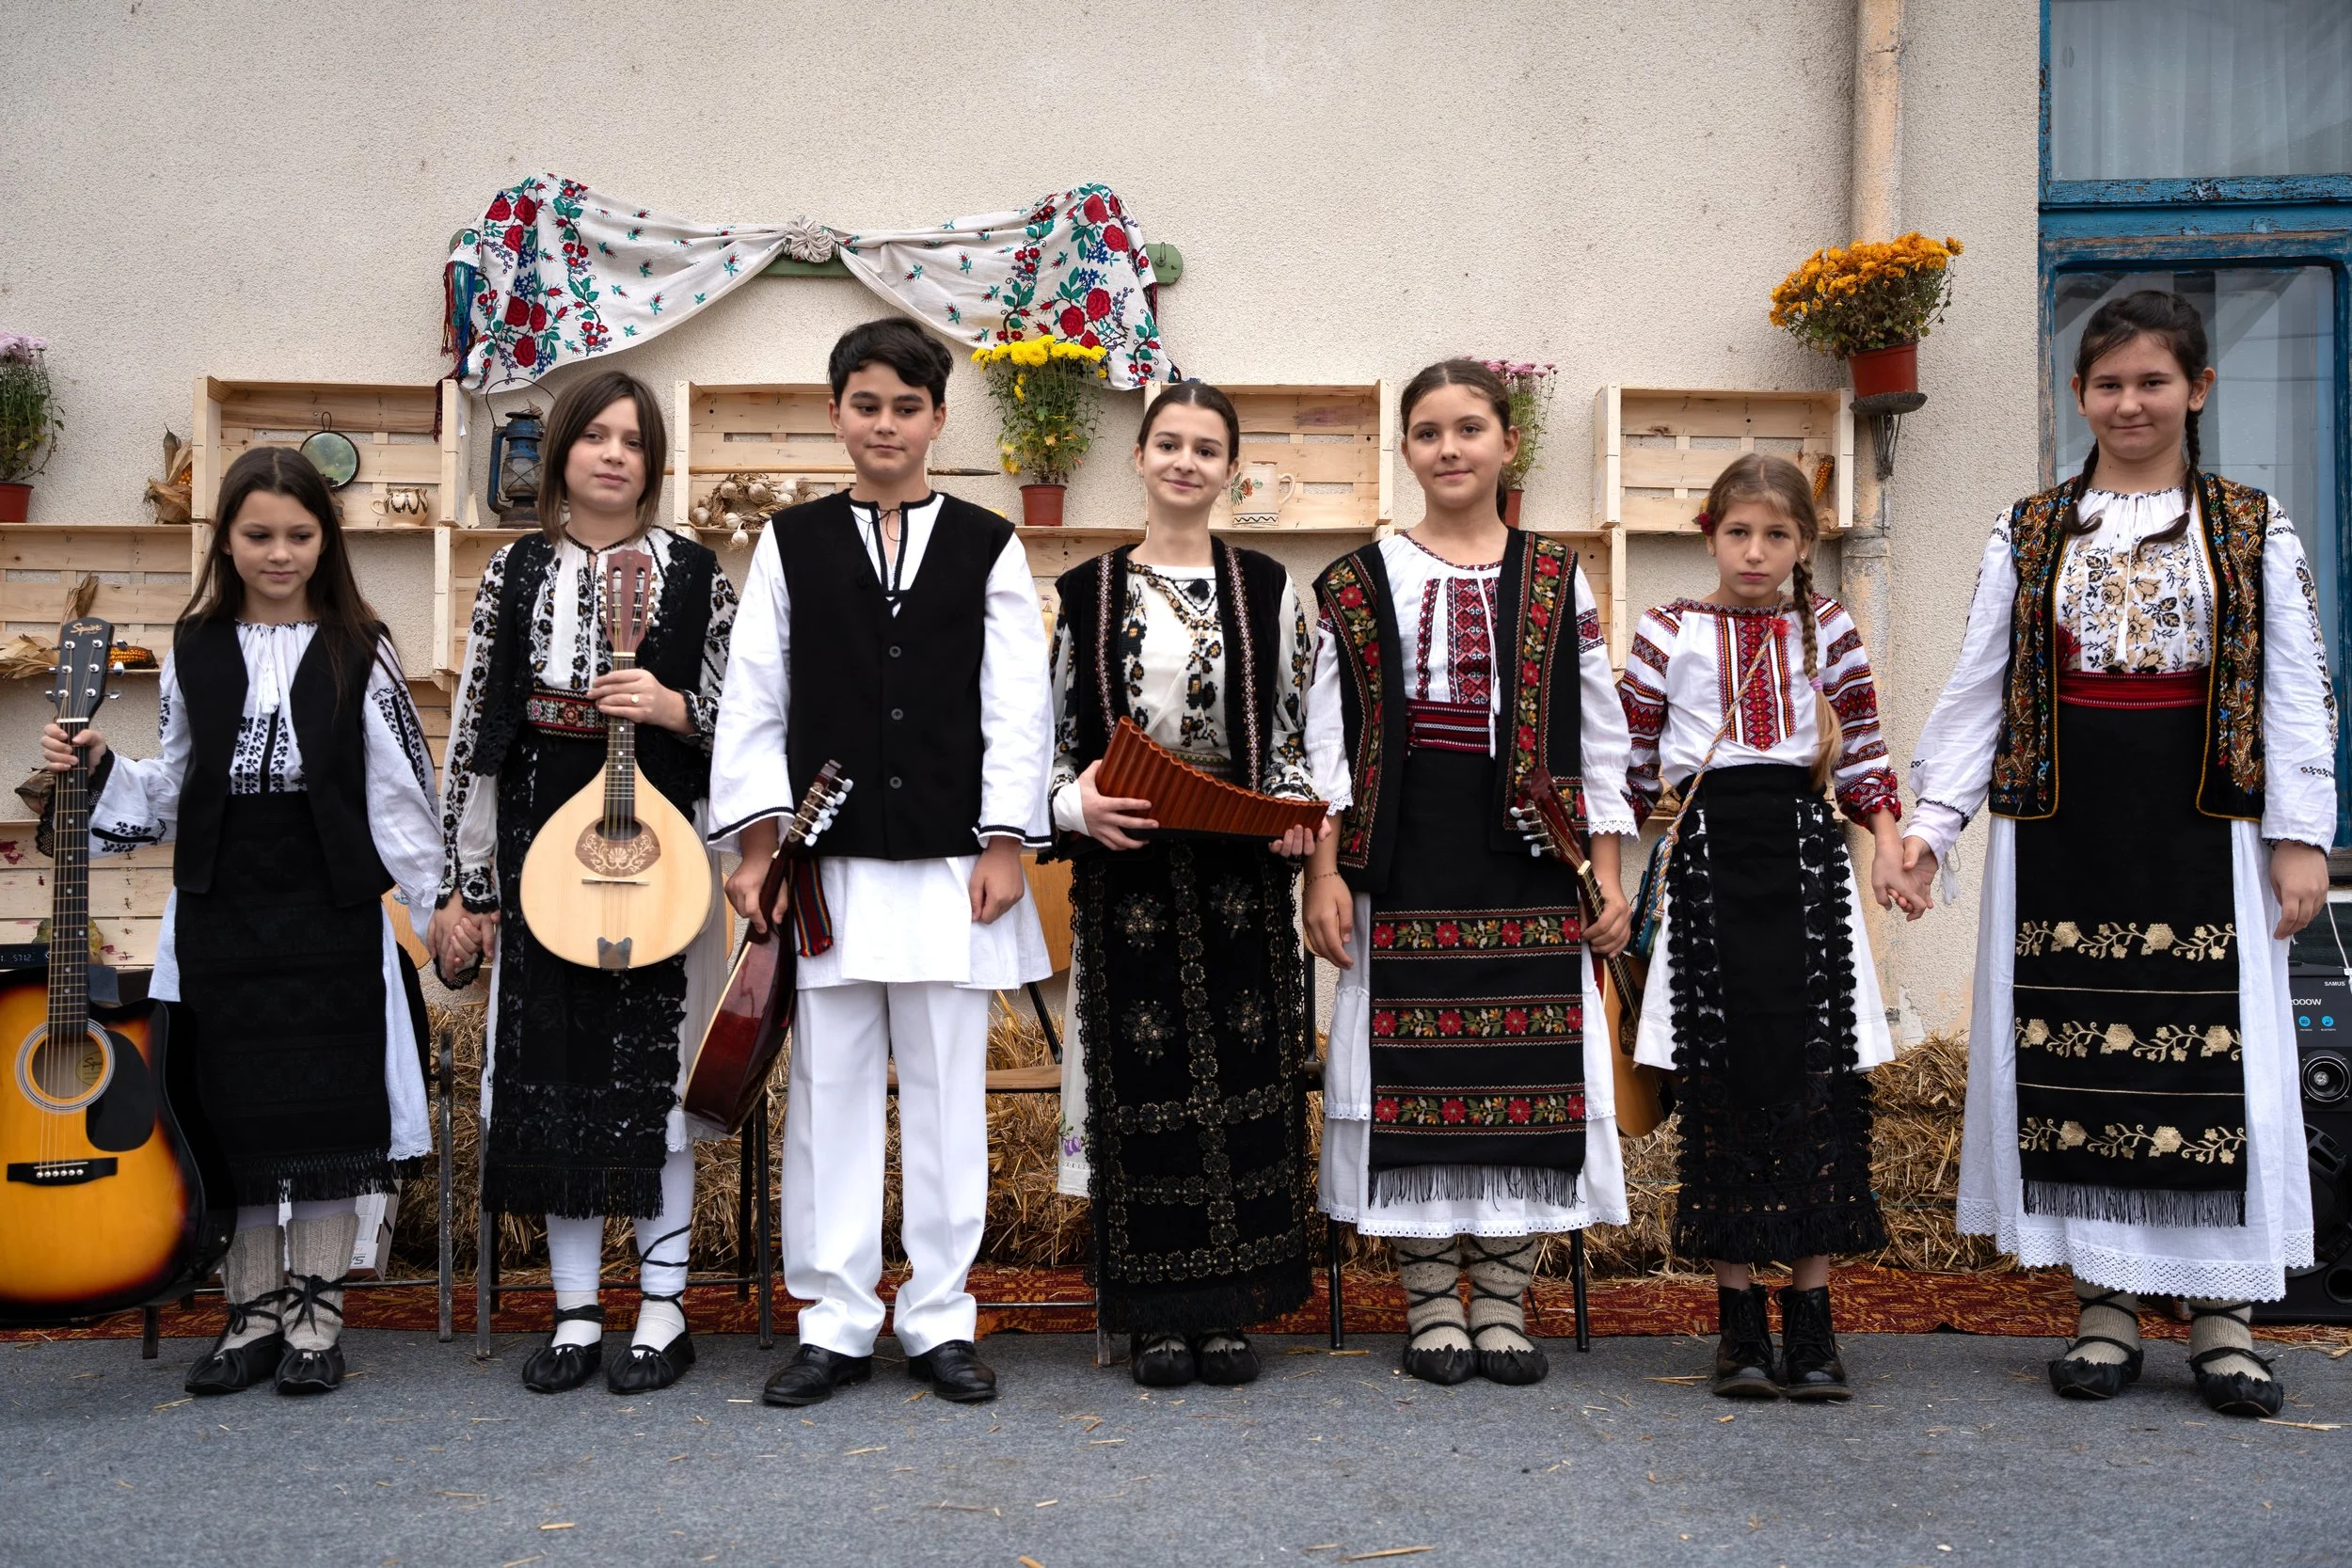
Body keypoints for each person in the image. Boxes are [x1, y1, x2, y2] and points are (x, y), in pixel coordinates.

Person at [1903, 290, 2336, 1418]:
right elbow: (1976, 687)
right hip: (2065, 825)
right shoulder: (2031, 529)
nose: (2128, 402)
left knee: (2217, 1063)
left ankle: (2223, 1315)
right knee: (2079, 1056)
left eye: (2151, 381)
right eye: (2106, 383)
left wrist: (2302, 841)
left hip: (2208, 823)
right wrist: (1929, 823)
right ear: (2079, 393)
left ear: (2195, 388)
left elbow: (2297, 692)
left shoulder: (2248, 525)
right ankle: (2101, 1303)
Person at [43, 445, 441, 1396]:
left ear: (324, 539)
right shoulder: (195, 649)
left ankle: (316, 1311)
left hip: (328, 904)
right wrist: (103, 762)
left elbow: (398, 793)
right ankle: (250, 1310)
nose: (279, 552)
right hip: (223, 906)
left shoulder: (360, 646)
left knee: (325, 1114)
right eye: (258, 533)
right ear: (223, 538)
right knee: (236, 1114)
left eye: (299, 534)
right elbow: (176, 786)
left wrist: (442, 909)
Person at [710, 317, 1054, 1408]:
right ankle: (837, 1317)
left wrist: (1005, 840)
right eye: (866, 405)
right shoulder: (790, 542)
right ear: (836, 414)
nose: (886, 425)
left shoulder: (989, 540)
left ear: (939, 419)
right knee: (830, 1091)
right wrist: (757, 846)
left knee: (952, 1092)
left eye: (907, 407)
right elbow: (755, 697)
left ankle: (943, 1314)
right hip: (829, 871)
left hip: (956, 863)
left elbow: (1016, 703)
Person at [1303, 358, 1635, 1387]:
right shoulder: (1356, 583)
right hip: (1401, 847)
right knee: (1408, 1069)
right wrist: (1321, 870)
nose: (1450, 447)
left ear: (1505, 445)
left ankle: (1500, 1298)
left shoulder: (1555, 575)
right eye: (1429, 431)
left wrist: (1608, 872)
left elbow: (1599, 732)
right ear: (1404, 449)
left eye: (1470, 428)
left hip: (1530, 851)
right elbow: (1322, 738)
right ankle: (1426, 1303)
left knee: (1527, 1070)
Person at [430, 369, 739, 1396]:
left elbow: (756, 727)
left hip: (662, 840)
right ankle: (572, 1311)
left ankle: (661, 1310)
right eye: (594, 435)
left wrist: (676, 706)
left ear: (654, 461)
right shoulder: (511, 573)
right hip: (537, 839)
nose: (613, 453)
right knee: (549, 1076)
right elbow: (476, 728)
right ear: (558, 451)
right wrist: (465, 882)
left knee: (652, 1086)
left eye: (633, 440)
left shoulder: (699, 575)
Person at [1617, 452, 1918, 1401]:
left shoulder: (1826, 627)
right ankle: (1738, 1322)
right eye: (1738, 531)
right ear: (1709, 531)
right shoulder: (1664, 631)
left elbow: (1865, 751)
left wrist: (1889, 847)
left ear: (1804, 543)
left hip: (1802, 859)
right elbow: (1623, 769)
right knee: (1720, 1084)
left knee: (1813, 1084)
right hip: (1706, 860)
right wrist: (1602, 884)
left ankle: (1816, 1322)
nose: (1755, 551)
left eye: (1777, 534)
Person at [1047, 380, 1322, 1387]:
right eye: (1168, 443)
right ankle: (1158, 1313)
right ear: (1139, 456)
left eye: (1206, 448)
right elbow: (1052, 746)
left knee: (1248, 1085)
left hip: (1239, 876)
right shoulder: (1085, 591)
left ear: (1228, 468)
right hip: (1130, 871)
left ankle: (1231, 1306)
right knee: (1145, 1085)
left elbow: (1292, 731)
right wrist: (1079, 808)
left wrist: (1292, 812)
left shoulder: (1266, 585)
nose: (1185, 462)